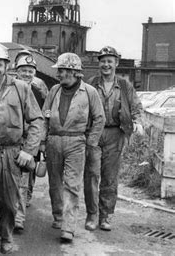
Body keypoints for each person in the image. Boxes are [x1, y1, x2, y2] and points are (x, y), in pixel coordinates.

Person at [0, 43, 43, 255]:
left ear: (6, 66)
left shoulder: (21, 88)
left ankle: (5, 234)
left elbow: (37, 120)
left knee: (9, 203)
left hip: (12, 152)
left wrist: (29, 151)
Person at [40, 52, 105, 242]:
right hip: (53, 140)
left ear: (73, 72)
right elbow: (44, 116)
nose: (58, 74)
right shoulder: (54, 91)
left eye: (61, 70)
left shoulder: (89, 92)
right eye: (59, 71)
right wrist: (43, 141)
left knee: (72, 185)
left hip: (76, 141)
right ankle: (58, 215)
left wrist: (90, 141)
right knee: (54, 183)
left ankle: (68, 227)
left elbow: (100, 118)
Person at [84, 46, 143, 231]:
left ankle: (105, 216)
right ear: (98, 64)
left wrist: (137, 121)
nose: (106, 64)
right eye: (103, 61)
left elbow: (136, 106)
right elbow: (82, 107)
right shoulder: (91, 84)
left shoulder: (125, 86)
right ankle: (92, 215)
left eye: (110, 61)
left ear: (116, 63)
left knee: (110, 177)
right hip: (94, 133)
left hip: (115, 134)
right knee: (92, 175)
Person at [13, 53, 47, 231]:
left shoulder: (39, 89)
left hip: (30, 138)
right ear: (16, 71)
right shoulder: (10, 88)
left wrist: (41, 140)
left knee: (26, 174)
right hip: (12, 138)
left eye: (30, 71)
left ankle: (18, 217)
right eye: (23, 70)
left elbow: (43, 115)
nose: (27, 74)